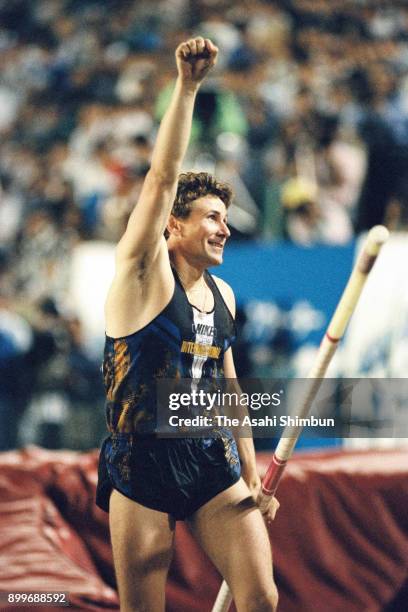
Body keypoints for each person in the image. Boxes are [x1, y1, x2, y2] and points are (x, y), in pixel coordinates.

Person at [96, 37, 279, 612]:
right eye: (210, 218)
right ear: (172, 226)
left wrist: (251, 475)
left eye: (226, 219)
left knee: (259, 597)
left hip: (208, 455)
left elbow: (230, 393)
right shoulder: (143, 273)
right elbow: (161, 177)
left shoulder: (223, 292)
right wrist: (189, 86)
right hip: (142, 460)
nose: (224, 229)